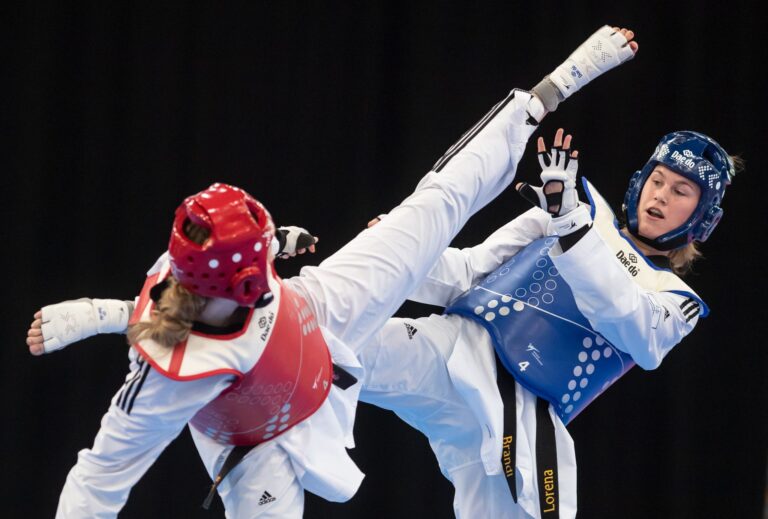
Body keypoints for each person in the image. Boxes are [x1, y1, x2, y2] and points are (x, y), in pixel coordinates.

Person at [27, 25, 638, 518]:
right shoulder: (170, 376)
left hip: (315, 312)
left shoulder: (211, 262)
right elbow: (99, 479)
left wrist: (277, 242)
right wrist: (86, 317)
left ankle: (550, 88)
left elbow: (215, 281)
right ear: (239, 283)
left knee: (432, 206)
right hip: (259, 438)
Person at [358, 120, 738, 519]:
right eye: (657, 180)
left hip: (520, 423)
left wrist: (571, 223)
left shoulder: (677, 301)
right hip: (453, 347)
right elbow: (467, 272)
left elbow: (628, 320)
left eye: (680, 191)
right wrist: (403, 251)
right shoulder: (565, 211)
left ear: (702, 217)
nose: (660, 196)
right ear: (639, 182)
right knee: (328, 349)